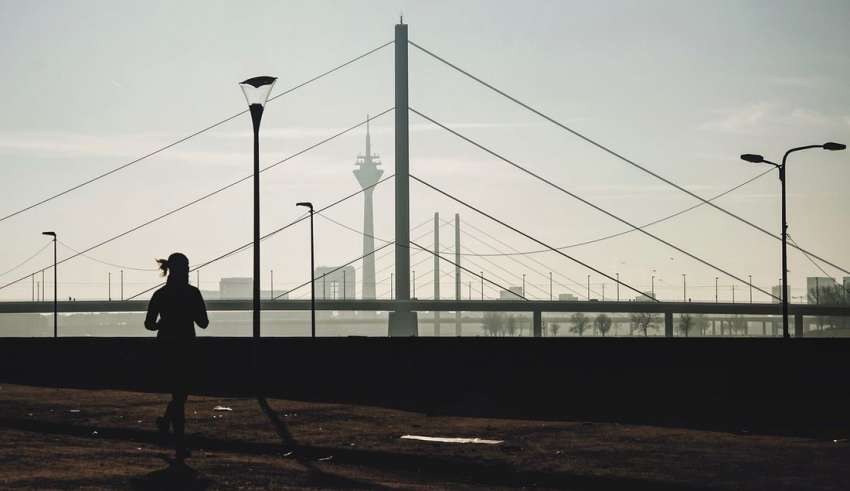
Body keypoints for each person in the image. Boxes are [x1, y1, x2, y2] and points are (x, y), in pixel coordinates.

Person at [144, 252, 208, 463]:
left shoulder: (160, 295)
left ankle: (166, 424)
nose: (188, 271)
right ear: (181, 269)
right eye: (187, 267)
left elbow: (149, 325)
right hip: (186, 347)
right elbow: (204, 323)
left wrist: (165, 322)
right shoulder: (193, 293)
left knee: (179, 395)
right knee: (181, 395)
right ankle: (179, 444)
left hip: (166, 348)